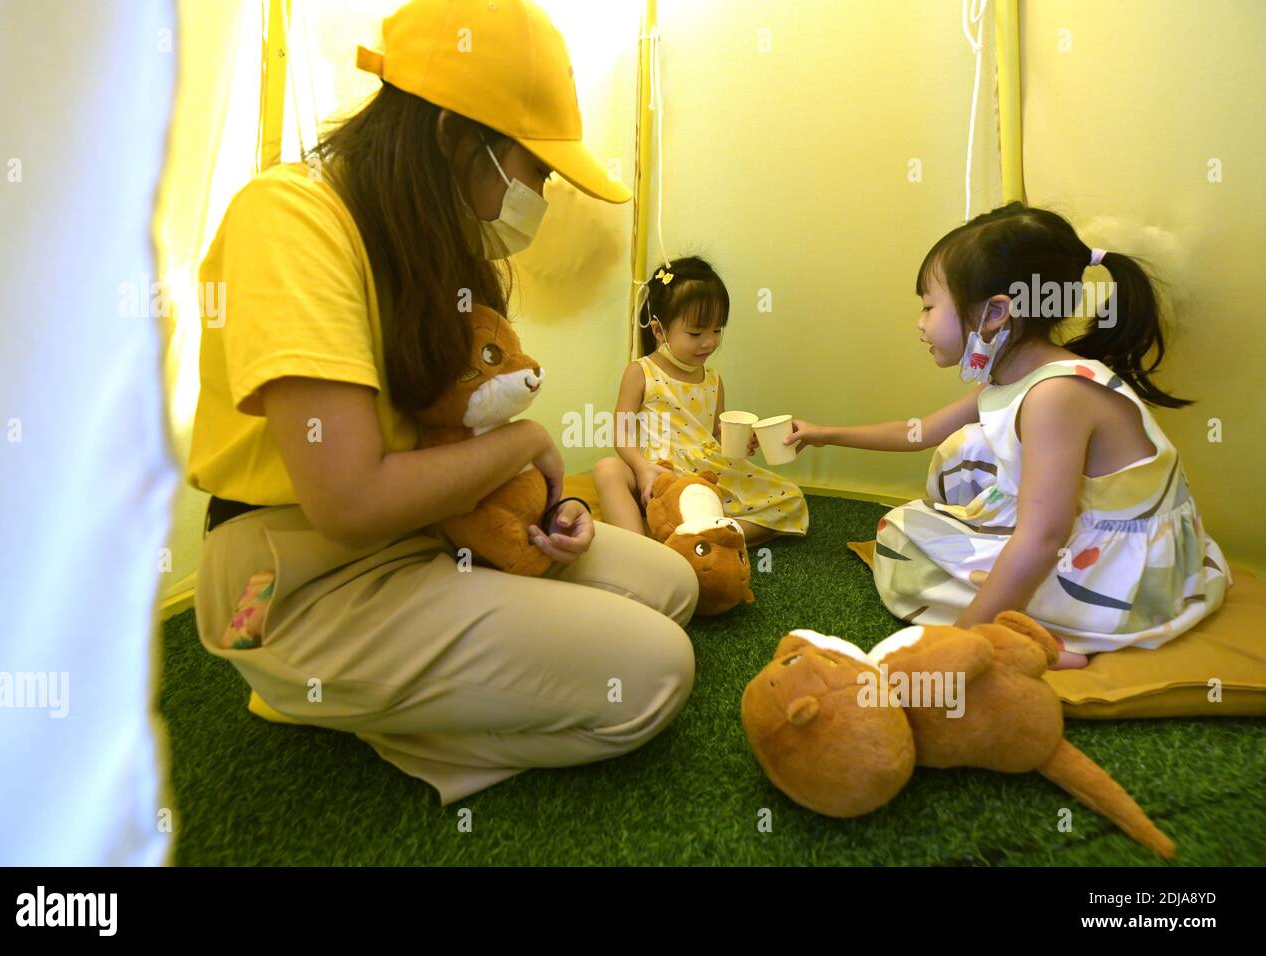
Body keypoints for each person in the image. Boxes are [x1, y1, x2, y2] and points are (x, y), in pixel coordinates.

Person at [185, 0, 697, 806]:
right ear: (457, 139)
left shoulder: (422, 248)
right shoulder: (290, 219)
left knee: (674, 587)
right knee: (655, 673)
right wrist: (524, 444)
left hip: (421, 542)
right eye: (538, 173)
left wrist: (532, 520)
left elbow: (438, 443)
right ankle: (315, 690)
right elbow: (350, 499)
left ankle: (391, 688)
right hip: (283, 582)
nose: (543, 200)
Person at [786, 202, 1229, 669]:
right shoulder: (1017, 375)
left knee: (903, 546)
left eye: (929, 306)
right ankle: (1035, 618)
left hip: (1125, 579)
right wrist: (824, 434)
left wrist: (961, 642)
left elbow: (1043, 537)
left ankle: (1042, 639)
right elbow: (920, 432)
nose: (920, 322)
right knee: (934, 491)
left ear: (996, 312)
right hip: (1091, 537)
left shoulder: (1054, 395)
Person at [593, 255, 809, 546]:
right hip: (654, 477)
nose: (709, 342)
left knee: (792, 498)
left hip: (703, 478)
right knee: (607, 469)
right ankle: (639, 546)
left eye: (717, 330)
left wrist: (740, 444)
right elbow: (621, 433)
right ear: (659, 331)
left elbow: (717, 435)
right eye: (696, 333)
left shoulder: (713, 379)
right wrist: (641, 467)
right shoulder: (640, 372)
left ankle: (702, 536)